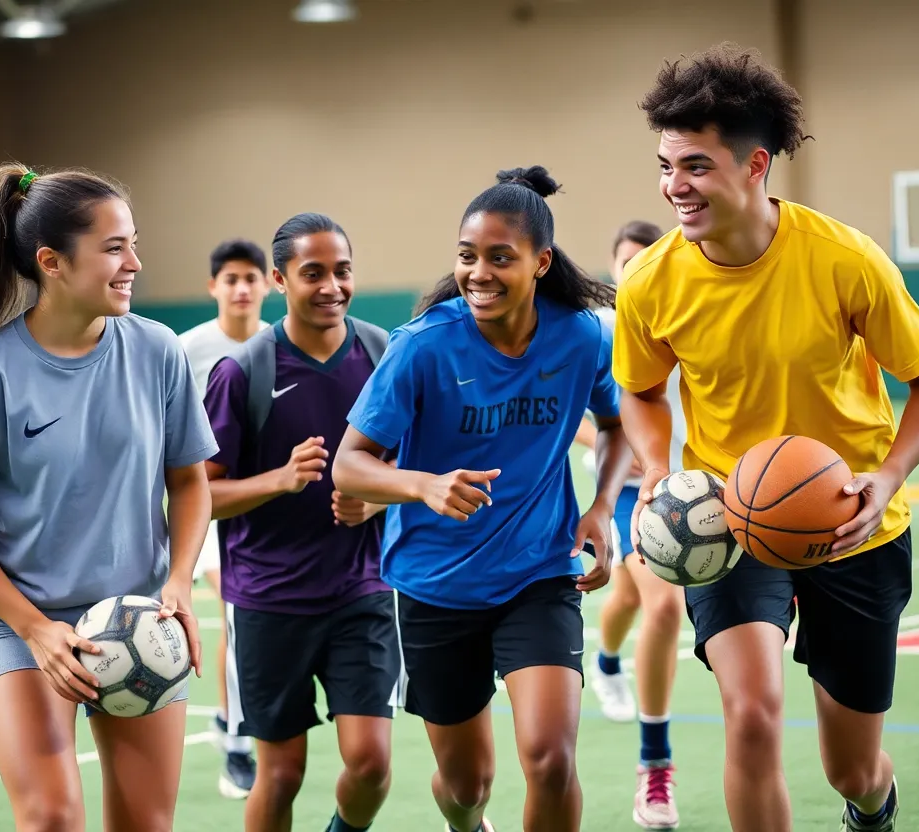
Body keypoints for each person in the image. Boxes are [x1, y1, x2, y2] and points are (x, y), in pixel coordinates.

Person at [615, 45, 919, 832]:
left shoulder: (843, 260)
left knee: (854, 767)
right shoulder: (650, 281)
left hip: (851, 522)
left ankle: (870, 809)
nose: (675, 186)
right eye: (666, 166)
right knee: (752, 715)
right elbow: (638, 389)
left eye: (696, 166)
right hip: (726, 520)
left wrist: (889, 479)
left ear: (755, 165)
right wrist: (655, 466)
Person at [334, 166, 632, 832]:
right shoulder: (423, 347)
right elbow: (348, 466)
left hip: (540, 573)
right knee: (468, 786)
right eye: (468, 257)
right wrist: (423, 485)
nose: (479, 273)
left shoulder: (581, 337)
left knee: (551, 760)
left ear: (540, 262)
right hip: (436, 587)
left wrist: (602, 507)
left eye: (501, 258)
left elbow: (615, 428)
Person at [0, 163, 217, 831]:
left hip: (138, 620)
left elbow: (190, 479)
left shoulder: (158, 352)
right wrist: (35, 628)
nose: (135, 262)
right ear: (52, 262)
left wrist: (178, 582)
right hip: (21, 627)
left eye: (133, 242)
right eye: (115, 247)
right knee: (52, 817)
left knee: (147, 823)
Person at [202, 212, 400, 832]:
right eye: (312, 273)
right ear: (279, 281)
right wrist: (279, 480)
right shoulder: (240, 374)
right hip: (268, 600)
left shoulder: (381, 352)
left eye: (342, 271)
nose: (331, 286)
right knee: (281, 774)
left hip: (361, 590)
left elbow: (410, 465)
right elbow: (198, 497)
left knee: (371, 764)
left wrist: (376, 501)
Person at [573, 219, 686, 829]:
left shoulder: (692, 316)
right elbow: (583, 418)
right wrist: (632, 450)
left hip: (692, 488)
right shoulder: (603, 332)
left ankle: (609, 660)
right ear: (613, 270)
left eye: (647, 258)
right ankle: (655, 767)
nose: (637, 268)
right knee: (664, 607)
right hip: (627, 491)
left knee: (625, 596)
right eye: (626, 261)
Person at [178, 238, 270, 799]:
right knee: (236, 614)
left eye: (250, 278)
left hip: (264, 505)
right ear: (213, 286)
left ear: (266, 285)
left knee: (249, 619)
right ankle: (237, 739)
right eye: (229, 278)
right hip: (204, 505)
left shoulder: (279, 347)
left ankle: (231, 717)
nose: (240, 288)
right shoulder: (186, 350)